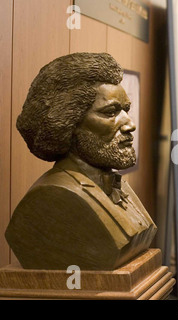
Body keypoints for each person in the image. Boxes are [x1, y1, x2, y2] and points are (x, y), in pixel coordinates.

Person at [6, 52, 157, 270]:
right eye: (110, 112)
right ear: (68, 122)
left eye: (126, 110)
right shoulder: (52, 198)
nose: (129, 124)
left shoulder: (118, 184)